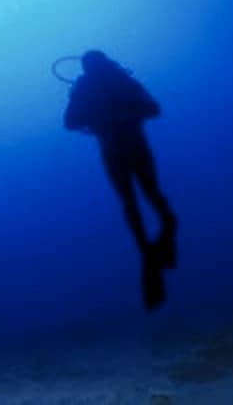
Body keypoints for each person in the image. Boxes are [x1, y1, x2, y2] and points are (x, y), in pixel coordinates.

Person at [63, 50, 177, 310]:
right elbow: (70, 122)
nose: (95, 71)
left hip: (125, 149)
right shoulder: (90, 87)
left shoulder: (120, 81)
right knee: (139, 199)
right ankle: (150, 248)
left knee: (142, 198)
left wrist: (116, 115)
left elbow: (153, 108)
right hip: (123, 149)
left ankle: (156, 243)